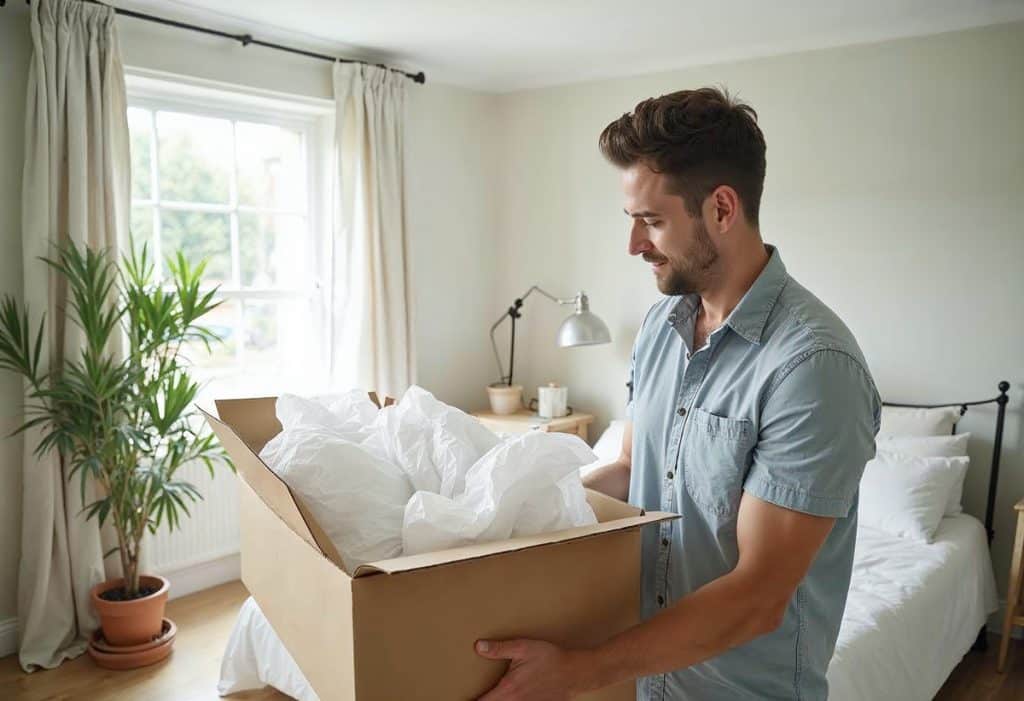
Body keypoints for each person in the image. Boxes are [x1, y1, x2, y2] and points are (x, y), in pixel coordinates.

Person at [474, 87, 880, 700]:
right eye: (634, 221)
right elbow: (634, 470)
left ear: (721, 208)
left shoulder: (814, 367)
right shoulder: (660, 332)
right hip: (639, 679)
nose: (634, 245)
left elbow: (757, 598)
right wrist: (502, 514)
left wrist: (582, 670)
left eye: (653, 221)